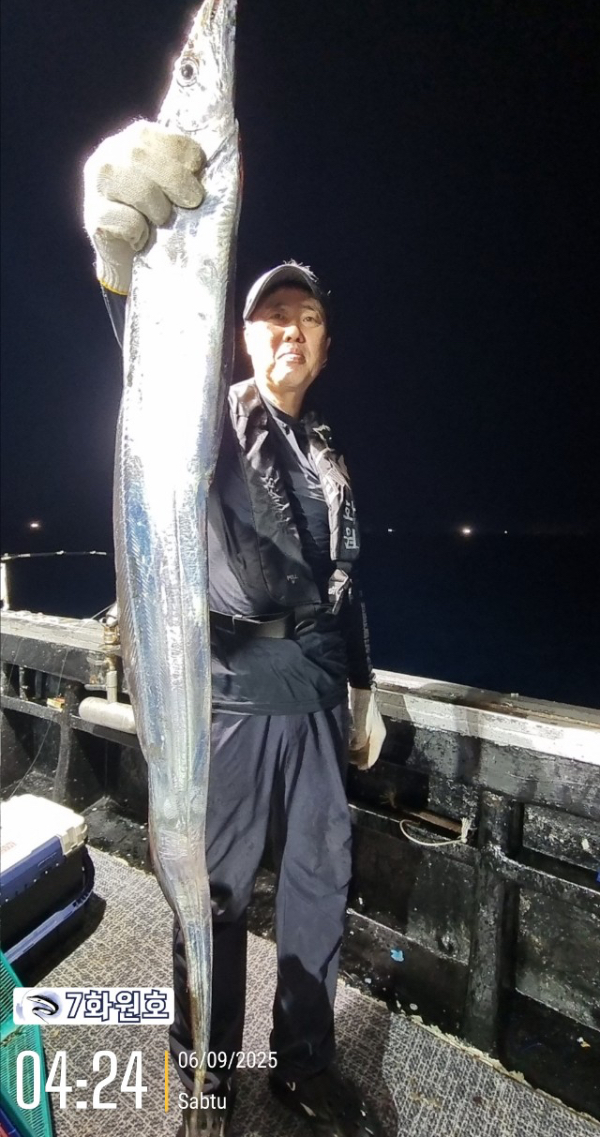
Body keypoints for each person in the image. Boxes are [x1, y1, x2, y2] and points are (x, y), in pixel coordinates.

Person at [83, 122, 387, 1137]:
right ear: (243, 338)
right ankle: (203, 1073)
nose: (290, 331)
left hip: (318, 702)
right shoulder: (205, 419)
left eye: (308, 319)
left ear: (326, 346)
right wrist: (124, 263)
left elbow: (346, 583)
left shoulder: (330, 453)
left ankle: (302, 1064)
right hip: (233, 699)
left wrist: (366, 691)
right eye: (271, 318)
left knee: (318, 887)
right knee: (208, 892)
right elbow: (147, 372)